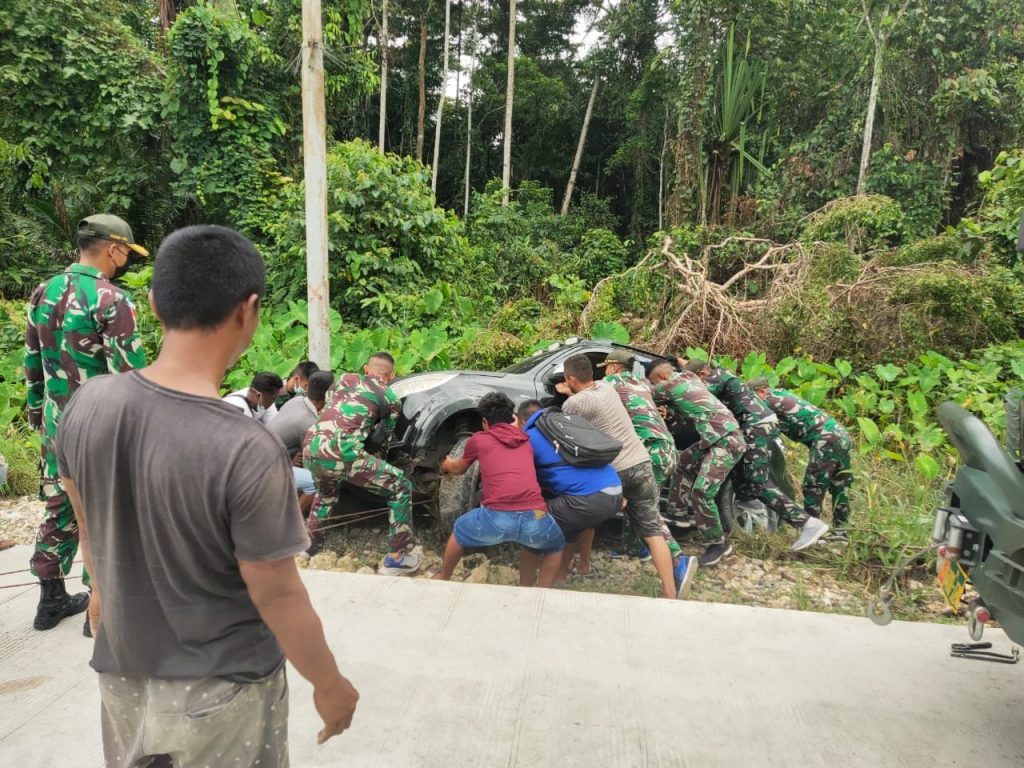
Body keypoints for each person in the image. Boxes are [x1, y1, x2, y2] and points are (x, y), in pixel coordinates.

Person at [55, 225, 358, 768]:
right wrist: (329, 683)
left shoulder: (86, 403)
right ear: (249, 309)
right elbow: (278, 594)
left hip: (122, 678)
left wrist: (100, 592)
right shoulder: (245, 446)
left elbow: (87, 520)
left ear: (152, 302)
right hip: (224, 692)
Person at [24, 213, 147, 633]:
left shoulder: (43, 291)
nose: (125, 260)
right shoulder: (111, 299)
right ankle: (101, 604)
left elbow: (32, 364)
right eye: (127, 253)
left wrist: (39, 414)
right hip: (99, 427)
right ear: (113, 248)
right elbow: (129, 377)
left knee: (60, 503)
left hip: (57, 423)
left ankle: (50, 599)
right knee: (104, 512)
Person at [556, 354, 680, 598]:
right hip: (642, 462)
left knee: (581, 519)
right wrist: (574, 390)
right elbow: (592, 399)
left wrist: (566, 395)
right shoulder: (606, 387)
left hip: (615, 472)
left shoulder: (572, 405)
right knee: (652, 530)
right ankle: (669, 592)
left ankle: (564, 572)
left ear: (570, 378)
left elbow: (573, 432)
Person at [684, 360, 829, 551]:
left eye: (695, 378)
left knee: (756, 480)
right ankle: (752, 513)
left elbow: (694, 396)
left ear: (703, 373)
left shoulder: (717, 377)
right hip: (748, 427)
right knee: (741, 477)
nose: (694, 382)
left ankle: (808, 524)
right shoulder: (718, 375)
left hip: (756, 426)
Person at [304, 352, 420, 574]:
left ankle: (308, 547)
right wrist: (379, 463)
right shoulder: (390, 398)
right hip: (343, 452)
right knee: (400, 486)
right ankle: (399, 556)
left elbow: (331, 409)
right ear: (392, 375)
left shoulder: (343, 380)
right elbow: (380, 438)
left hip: (311, 446)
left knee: (326, 494)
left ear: (366, 369)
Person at [434, 392, 565, 586]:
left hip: (496, 519)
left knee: (459, 530)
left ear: (485, 422)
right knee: (555, 546)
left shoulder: (479, 439)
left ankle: (443, 576)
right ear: (512, 417)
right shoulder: (526, 439)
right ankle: (541, 591)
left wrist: (446, 465)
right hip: (535, 516)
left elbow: (459, 469)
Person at [647, 361, 748, 567]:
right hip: (712, 438)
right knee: (681, 462)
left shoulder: (671, 384)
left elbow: (641, 394)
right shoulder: (689, 378)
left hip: (726, 440)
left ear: (663, 378)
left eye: (654, 381)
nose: (655, 385)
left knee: (702, 492)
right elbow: (688, 409)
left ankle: (718, 544)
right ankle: (678, 516)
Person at [515, 400, 624, 586]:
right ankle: (560, 576)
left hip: (587, 498)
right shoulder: (563, 428)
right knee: (569, 528)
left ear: (522, 421)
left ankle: (532, 589)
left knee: (534, 523)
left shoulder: (530, 437)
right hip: (615, 492)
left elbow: (521, 476)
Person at [598, 349, 683, 563]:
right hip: (667, 449)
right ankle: (634, 548)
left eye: (606, 367)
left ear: (615, 367)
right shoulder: (642, 383)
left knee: (645, 509)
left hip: (650, 450)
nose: (605, 372)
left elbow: (588, 394)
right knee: (637, 498)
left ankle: (677, 560)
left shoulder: (611, 382)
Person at [749, 377, 853, 533]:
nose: (750, 403)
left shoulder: (769, 402)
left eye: (752, 397)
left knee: (813, 487)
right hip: (840, 434)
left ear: (762, 391)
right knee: (840, 485)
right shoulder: (781, 393)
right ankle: (842, 529)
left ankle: (813, 530)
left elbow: (763, 428)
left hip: (826, 439)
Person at [268, 369, 335, 517]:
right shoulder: (308, 423)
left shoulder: (297, 400)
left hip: (265, 455)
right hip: (266, 469)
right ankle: (292, 518)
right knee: (319, 481)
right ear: (328, 395)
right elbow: (319, 457)